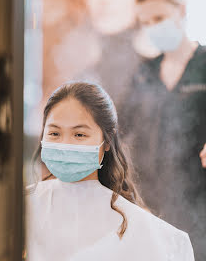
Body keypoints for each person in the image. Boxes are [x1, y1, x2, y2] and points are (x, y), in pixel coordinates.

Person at [25, 81, 194, 261]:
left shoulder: (144, 231)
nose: (65, 144)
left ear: (107, 141)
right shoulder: (22, 206)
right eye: (54, 133)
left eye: (79, 134)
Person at [118, 0, 206, 261]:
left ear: (181, 10)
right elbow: (119, 126)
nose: (153, 28)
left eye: (159, 18)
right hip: (151, 207)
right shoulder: (145, 74)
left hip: (198, 206)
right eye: (146, 22)